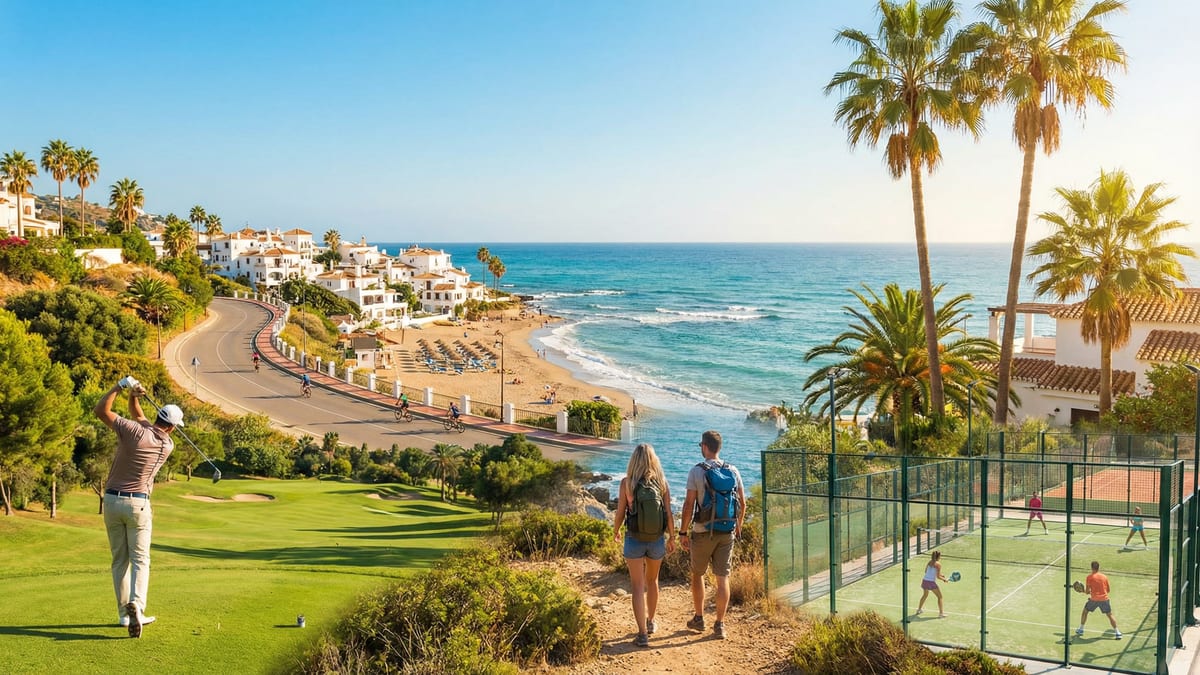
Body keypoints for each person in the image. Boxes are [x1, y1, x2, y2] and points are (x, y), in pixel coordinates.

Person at [93, 377, 184, 638]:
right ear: (173, 428)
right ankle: (138, 607)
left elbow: (102, 411)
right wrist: (134, 397)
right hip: (138, 505)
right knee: (140, 560)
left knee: (119, 560)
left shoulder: (132, 431)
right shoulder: (166, 445)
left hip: (110, 501)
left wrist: (121, 389)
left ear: (158, 418)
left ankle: (124, 614)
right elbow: (144, 421)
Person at [679, 430, 745, 640]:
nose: (701, 448)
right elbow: (743, 503)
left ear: (705, 446)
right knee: (722, 578)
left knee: (697, 574)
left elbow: (689, 504)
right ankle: (720, 624)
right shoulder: (733, 470)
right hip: (727, 532)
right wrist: (738, 526)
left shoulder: (696, 471)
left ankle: (699, 618)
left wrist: (682, 531)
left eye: (701, 445)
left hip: (702, 531)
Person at [612, 443, 676, 648]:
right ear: (653, 460)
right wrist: (673, 537)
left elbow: (620, 513)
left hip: (634, 539)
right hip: (657, 540)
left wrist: (615, 531)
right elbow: (668, 513)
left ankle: (642, 635)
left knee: (637, 586)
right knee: (653, 581)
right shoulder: (662, 483)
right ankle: (651, 622)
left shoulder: (626, 484)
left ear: (634, 461)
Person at [1076, 560, 1121, 639]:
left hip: (1094, 600)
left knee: (1085, 612)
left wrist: (1086, 592)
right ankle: (1117, 632)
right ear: (1098, 567)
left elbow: (1087, 591)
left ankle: (1081, 629)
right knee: (1110, 615)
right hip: (1104, 599)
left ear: (1091, 568)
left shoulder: (1089, 577)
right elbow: (1108, 590)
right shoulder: (1104, 577)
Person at [916, 550, 948, 617]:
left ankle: (919, 610)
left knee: (925, 595)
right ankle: (941, 614)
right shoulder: (938, 564)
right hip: (930, 582)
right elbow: (938, 577)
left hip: (924, 581)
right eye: (940, 556)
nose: (940, 557)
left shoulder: (929, 562)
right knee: (940, 597)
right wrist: (944, 579)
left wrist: (941, 575)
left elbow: (926, 571)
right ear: (938, 556)